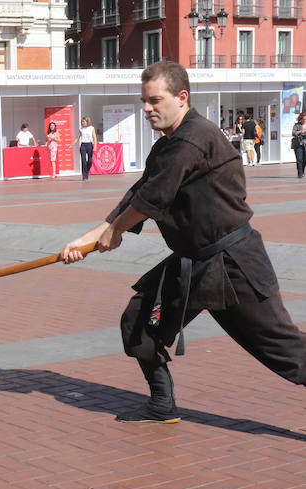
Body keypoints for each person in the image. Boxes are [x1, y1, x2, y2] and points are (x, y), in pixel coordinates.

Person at [60, 61, 305, 424]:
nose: (147, 109)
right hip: (193, 261)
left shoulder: (194, 137)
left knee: (282, 349)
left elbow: (152, 200)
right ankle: (162, 403)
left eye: (155, 100)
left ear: (182, 97)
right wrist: (89, 237)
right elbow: (137, 195)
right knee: (139, 320)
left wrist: (112, 233)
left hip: (234, 263)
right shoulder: (166, 147)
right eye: (144, 101)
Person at [73, 117, 97, 181]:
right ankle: (84, 177)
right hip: (83, 145)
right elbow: (77, 138)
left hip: (89, 145)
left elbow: (94, 138)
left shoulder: (91, 128)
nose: (82, 123)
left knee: (90, 161)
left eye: (84, 121)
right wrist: (72, 144)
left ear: (87, 122)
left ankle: (86, 170)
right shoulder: (81, 129)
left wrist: (95, 146)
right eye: (82, 121)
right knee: (83, 160)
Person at [292, 112, 306, 178]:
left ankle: (302, 171)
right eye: (303, 119)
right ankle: (300, 173)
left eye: (305, 119)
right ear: (300, 119)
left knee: (305, 159)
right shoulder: (297, 125)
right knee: (299, 159)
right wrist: (301, 131)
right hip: (299, 144)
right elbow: (293, 133)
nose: (304, 120)